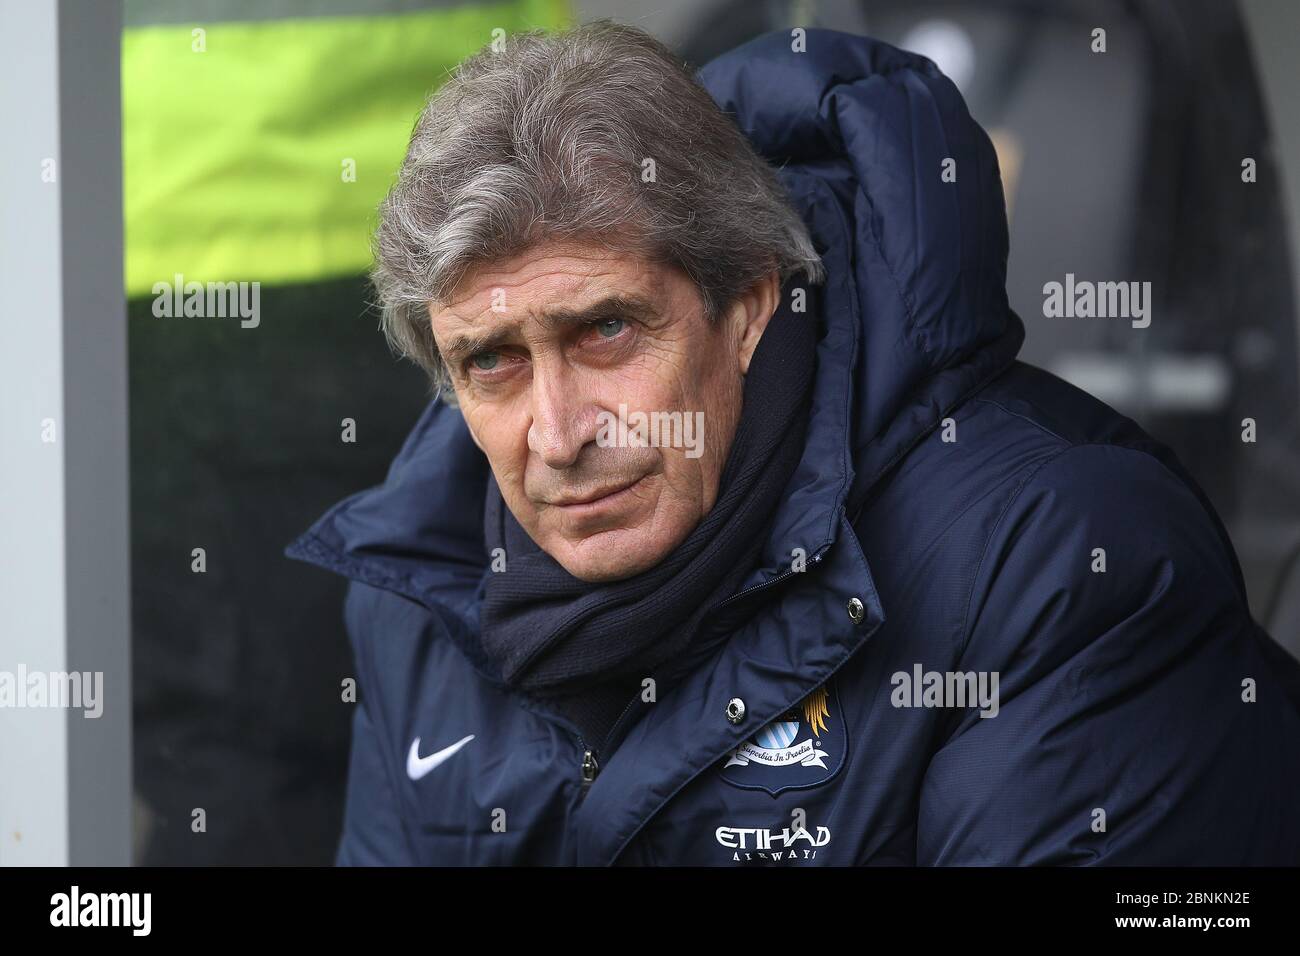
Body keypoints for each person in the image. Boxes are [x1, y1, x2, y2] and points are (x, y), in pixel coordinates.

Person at [287, 20, 1300, 865]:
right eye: (493, 360)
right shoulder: (420, 591)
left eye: (606, 331)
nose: (557, 435)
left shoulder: (1059, 561)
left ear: (749, 305)